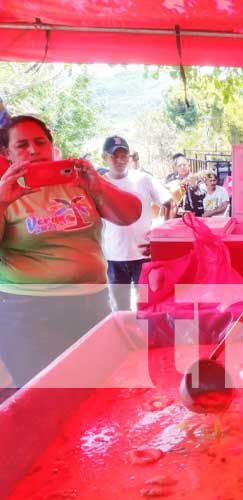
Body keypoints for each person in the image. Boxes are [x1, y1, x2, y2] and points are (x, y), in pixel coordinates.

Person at [0, 115, 141, 388]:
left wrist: (98, 186)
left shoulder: (77, 182)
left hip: (92, 303)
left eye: (40, 142)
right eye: (22, 145)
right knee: (44, 395)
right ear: (6, 153)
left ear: (51, 145)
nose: (33, 150)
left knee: (96, 388)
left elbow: (129, 214)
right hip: (30, 313)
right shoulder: (4, 192)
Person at [101, 135, 173, 311]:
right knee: (120, 309)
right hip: (113, 259)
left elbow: (169, 203)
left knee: (147, 306)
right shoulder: (99, 184)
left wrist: (160, 239)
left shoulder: (143, 179)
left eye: (123, 155)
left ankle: (145, 338)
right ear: (104, 157)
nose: (119, 160)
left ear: (129, 157)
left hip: (143, 258)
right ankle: (125, 338)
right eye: (114, 156)